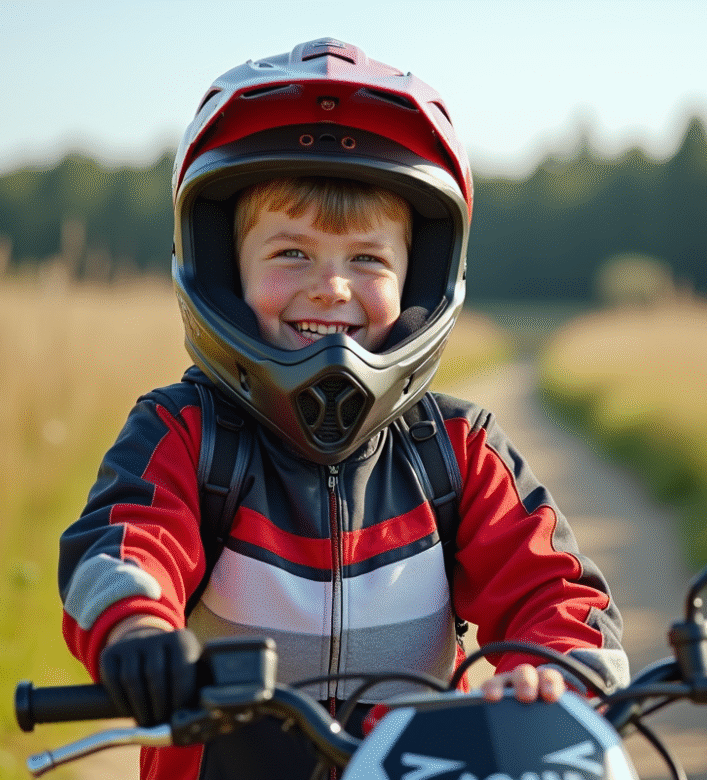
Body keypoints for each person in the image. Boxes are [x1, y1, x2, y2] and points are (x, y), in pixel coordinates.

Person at [58, 38, 628, 780]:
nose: (330, 287)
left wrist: (556, 673)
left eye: (367, 259)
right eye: (291, 253)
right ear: (223, 272)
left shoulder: (455, 452)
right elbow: (124, 545)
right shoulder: (187, 436)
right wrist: (135, 628)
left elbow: (556, 588)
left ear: (420, 276)